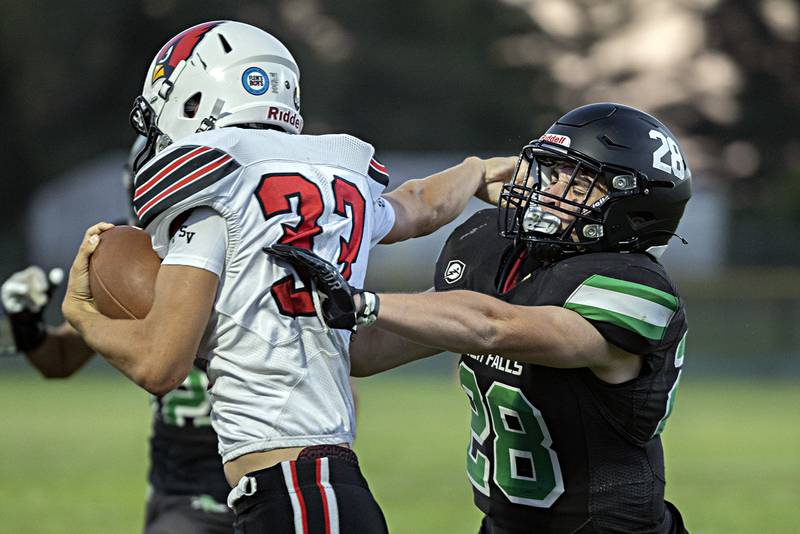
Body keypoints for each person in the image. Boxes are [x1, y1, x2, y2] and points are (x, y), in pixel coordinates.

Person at [60, 20, 514, 533]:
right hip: (320, 486)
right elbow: (420, 207)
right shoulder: (335, 179)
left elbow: (160, 364)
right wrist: (476, 170)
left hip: (292, 492)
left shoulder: (216, 187)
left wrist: (80, 314)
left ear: (193, 99)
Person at [267, 103, 692, 533]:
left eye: (579, 181)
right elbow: (369, 353)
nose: (550, 188)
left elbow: (495, 327)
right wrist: (281, 305)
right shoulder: (500, 254)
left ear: (637, 209)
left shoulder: (635, 284)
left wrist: (365, 302)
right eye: (551, 171)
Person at [1, 139, 235, 534]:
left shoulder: (252, 245)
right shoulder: (129, 253)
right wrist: (26, 325)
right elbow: (60, 359)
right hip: (185, 485)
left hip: (266, 464)